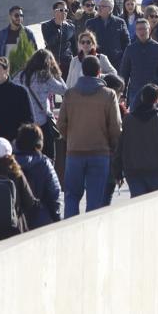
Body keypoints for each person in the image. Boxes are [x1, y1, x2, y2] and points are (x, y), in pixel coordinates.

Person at [59, 55, 122, 216]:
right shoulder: (108, 95)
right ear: (99, 72)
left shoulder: (70, 94)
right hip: (100, 153)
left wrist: (72, 138)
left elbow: (61, 124)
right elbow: (116, 126)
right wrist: (111, 145)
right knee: (95, 199)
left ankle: (70, 231)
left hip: (74, 152)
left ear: (82, 71)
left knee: (71, 196)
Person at [112, 84, 158, 197]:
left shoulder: (128, 120)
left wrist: (118, 172)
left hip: (134, 172)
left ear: (142, 98)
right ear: (157, 99)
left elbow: (121, 147)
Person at [13, 124, 62, 230]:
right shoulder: (44, 163)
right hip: (40, 220)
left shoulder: (9, 162)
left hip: (15, 221)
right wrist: (57, 218)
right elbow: (54, 193)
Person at [0, 57, 35, 140]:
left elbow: (29, 119)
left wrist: (19, 135)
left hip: (17, 140)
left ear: (6, 70)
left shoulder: (20, 91)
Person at [120, 17, 158, 105]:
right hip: (135, 92)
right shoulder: (130, 49)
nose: (141, 32)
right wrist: (123, 94)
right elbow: (124, 73)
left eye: (144, 29)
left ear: (149, 29)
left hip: (154, 92)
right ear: (136, 31)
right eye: (139, 29)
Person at [86, 0, 130, 69]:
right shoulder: (91, 23)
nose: (99, 8)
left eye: (102, 6)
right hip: (97, 61)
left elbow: (126, 42)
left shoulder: (120, 22)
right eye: (98, 6)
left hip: (116, 62)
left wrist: (123, 58)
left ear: (110, 8)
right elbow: (87, 42)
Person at [42, 1, 78, 74]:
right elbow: (50, 42)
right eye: (61, 10)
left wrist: (77, 61)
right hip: (52, 61)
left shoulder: (71, 26)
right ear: (55, 12)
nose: (64, 12)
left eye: (66, 10)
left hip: (67, 61)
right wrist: (58, 27)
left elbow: (74, 47)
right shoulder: (46, 26)